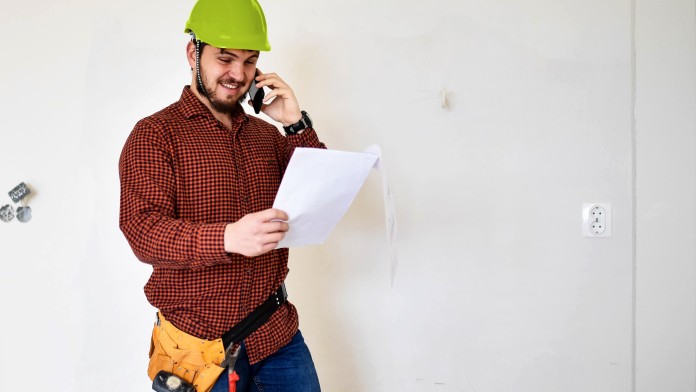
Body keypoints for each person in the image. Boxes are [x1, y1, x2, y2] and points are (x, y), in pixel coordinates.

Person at [118, 0, 324, 391]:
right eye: (224, 59)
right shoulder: (155, 135)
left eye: (249, 62)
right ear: (193, 53)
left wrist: (295, 123)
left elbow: (320, 195)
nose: (238, 74)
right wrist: (228, 237)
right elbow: (141, 231)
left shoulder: (267, 136)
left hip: (276, 334)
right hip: (198, 347)